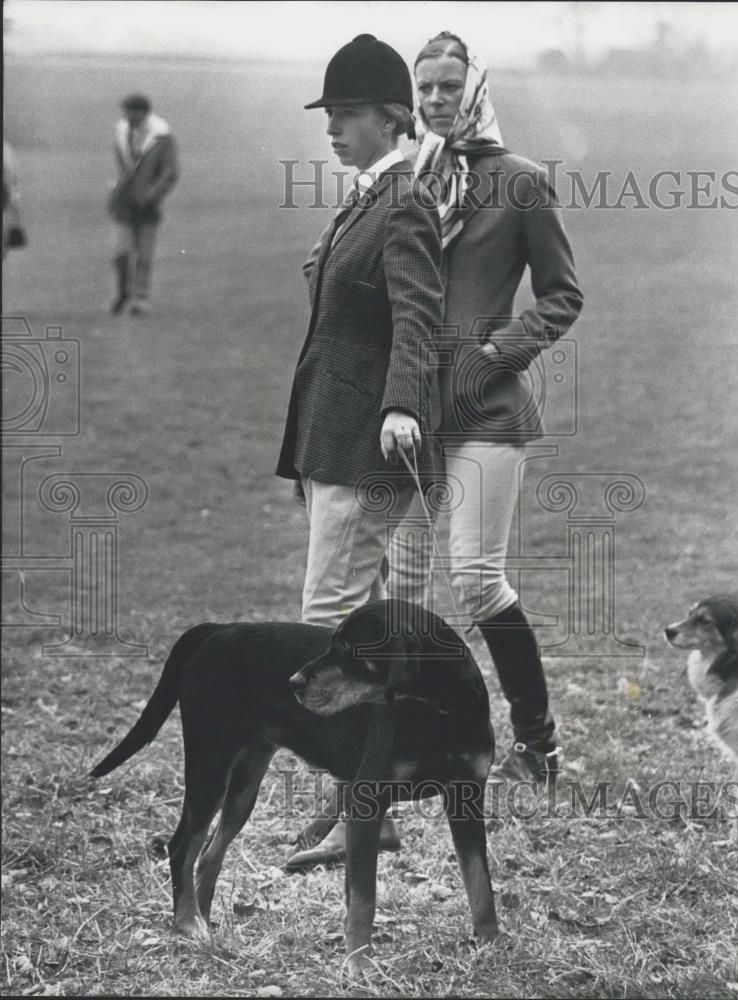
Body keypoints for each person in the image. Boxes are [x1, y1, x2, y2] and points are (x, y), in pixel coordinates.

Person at [385, 32, 584, 788]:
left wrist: (498, 352)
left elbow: (562, 295)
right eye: (425, 88)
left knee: (473, 580)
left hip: (485, 410)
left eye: (447, 87)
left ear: (473, 90)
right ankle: (406, 745)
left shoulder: (521, 182)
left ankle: (538, 742)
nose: (435, 100)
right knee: (399, 583)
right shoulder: (401, 180)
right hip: (407, 411)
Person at [275, 35, 443, 864]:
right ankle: (362, 803)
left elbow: (418, 318)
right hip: (335, 442)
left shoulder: (402, 200)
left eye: (347, 115)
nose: (333, 129)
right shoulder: (365, 197)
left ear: (393, 120)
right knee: (353, 634)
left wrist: (403, 403)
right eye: (330, 115)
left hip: (365, 447)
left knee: (325, 635)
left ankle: (361, 814)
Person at [108, 93, 178, 316]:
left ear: (144, 112)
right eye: (125, 111)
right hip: (124, 205)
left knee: (144, 255)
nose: (127, 116)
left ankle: (140, 300)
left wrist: (152, 194)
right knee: (122, 253)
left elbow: (170, 172)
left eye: (132, 111)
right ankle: (124, 292)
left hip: (148, 206)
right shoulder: (121, 133)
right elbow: (123, 168)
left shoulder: (163, 138)